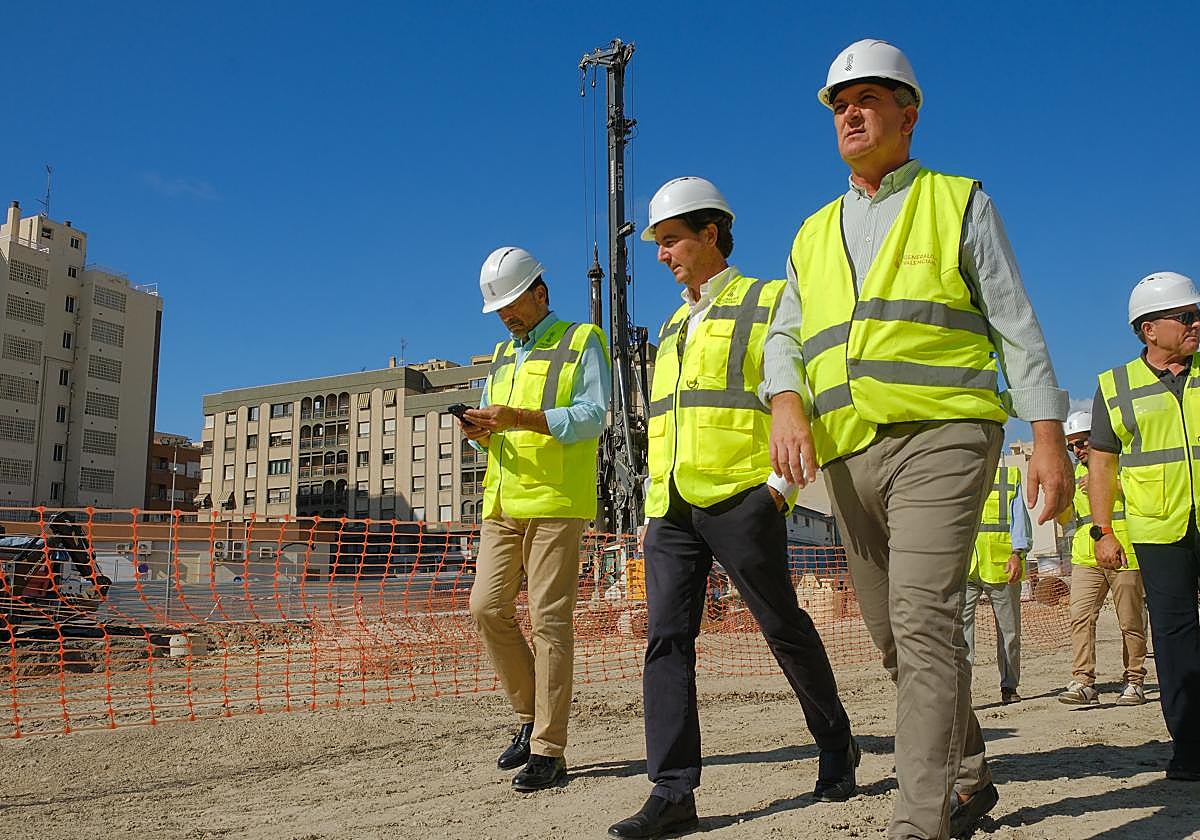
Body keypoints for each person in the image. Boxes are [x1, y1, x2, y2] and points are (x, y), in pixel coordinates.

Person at [764, 39, 1073, 839]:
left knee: (926, 622)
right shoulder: (811, 232)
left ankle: (920, 822)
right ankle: (968, 778)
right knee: (894, 638)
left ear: (909, 112)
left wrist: (1046, 436)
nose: (851, 114)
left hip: (945, 434)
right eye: (839, 104)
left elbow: (1016, 324)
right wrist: (784, 402)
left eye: (868, 99)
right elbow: (783, 339)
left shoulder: (957, 199)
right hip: (847, 453)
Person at [608, 177, 855, 840]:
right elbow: (669, 421)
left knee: (782, 625)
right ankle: (673, 790)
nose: (662, 254)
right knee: (665, 640)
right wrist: (650, 511)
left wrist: (778, 491)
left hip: (743, 497)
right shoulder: (672, 324)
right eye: (659, 243)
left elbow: (798, 397)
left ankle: (835, 742)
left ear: (710, 233)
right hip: (672, 507)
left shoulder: (767, 300)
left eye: (670, 240)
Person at [463, 246, 611, 792]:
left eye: (513, 303)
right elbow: (497, 427)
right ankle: (529, 716)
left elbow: (595, 415)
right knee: (486, 608)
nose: (507, 315)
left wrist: (520, 417)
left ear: (541, 293)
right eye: (499, 308)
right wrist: (481, 432)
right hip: (502, 500)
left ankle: (550, 749)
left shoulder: (581, 341)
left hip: (555, 499)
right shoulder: (503, 356)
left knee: (550, 622)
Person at [1089, 271, 1200, 782]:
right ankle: (1191, 748)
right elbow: (1102, 466)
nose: (1196, 322)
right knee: (1176, 640)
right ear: (1149, 329)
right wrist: (1102, 529)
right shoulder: (1114, 387)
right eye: (1186, 316)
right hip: (1159, 530)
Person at [1056, 410, 1148, 707]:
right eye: (1071, 447)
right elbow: (1068, 518)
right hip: (1086, 555)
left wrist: (1108, 483)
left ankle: (1134, 681)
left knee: (1130, 621)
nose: (1077, 451)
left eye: (1080, 443)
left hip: (1125, 552)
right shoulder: (1075, 475)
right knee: (1080, 617)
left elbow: (1142, 494)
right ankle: (1083, 682)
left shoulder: (1121, 465)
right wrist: (1060, 501)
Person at [962, 465, 1030, 705]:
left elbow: (1019, 518)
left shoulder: (1009, 477)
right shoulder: (958, 473)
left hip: (1002, 566)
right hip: (966, 565)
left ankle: (1009, 686)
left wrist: (1018, 553)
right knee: (961, 633)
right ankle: (962, 690)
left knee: (1009, 632)